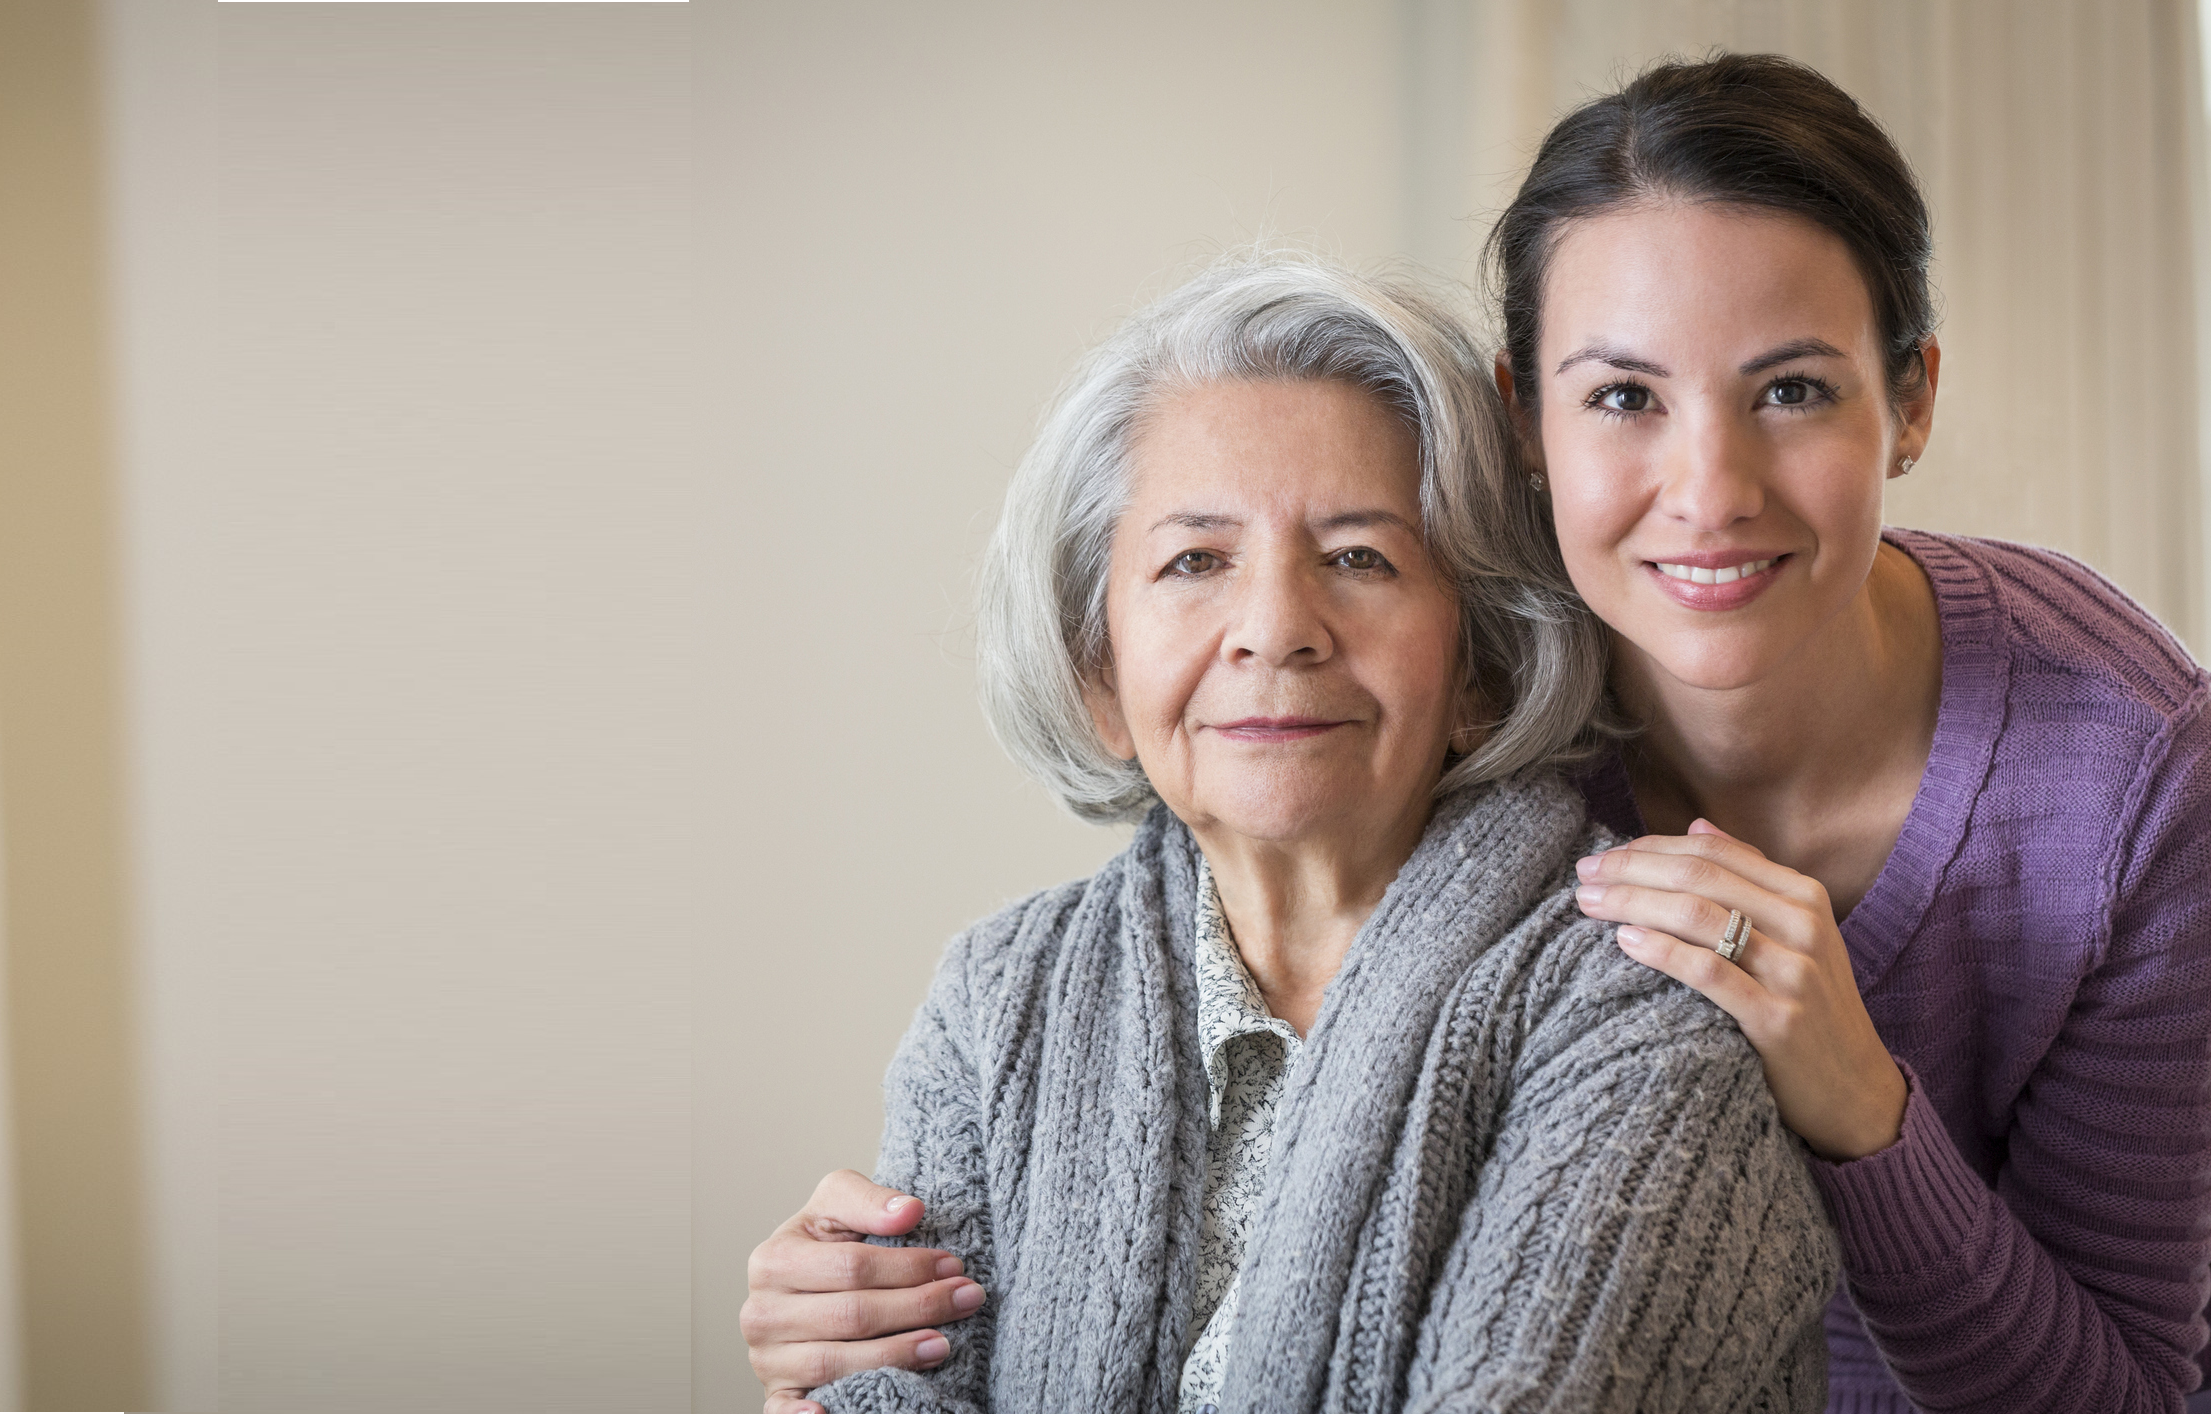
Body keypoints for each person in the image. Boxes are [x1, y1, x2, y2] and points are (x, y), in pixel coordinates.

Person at [745, 54, 2211, 1414]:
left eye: (1792, 389)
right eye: (1622, 395)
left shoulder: (2132, 777)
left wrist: (1865, 1114)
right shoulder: (1434, 716)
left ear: (1910, 400)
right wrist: (839, 1307)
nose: (1706, 488)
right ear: (1526, 422)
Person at [752, 256, 1838, 1414]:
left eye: (1358, 558)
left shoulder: (1643, 1009)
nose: (1274, 629)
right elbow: (887, 1394)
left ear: (1481, 665)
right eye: (1194, 561)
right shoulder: (996, 999)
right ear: (1100, 677)